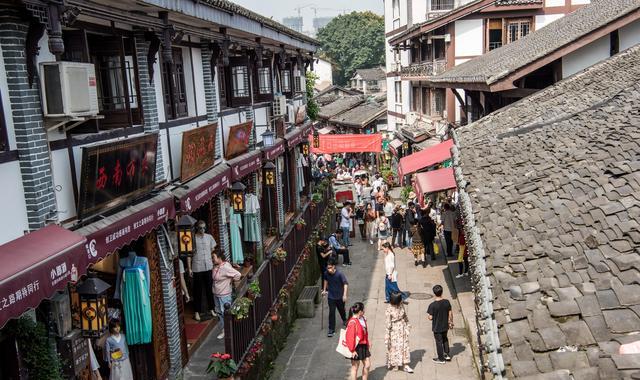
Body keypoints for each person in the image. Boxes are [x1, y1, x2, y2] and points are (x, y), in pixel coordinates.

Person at [187, 220, 217, 321]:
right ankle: (197, 312)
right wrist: (189, 268)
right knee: (197, 291)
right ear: (197, 228)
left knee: (209, 288)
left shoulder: (209, 237)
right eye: (200, 228)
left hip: (208, 265)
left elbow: (213, 251)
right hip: (197, 267)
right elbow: (189, 255)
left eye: (204, 228)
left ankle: (212, 309)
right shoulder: (193, 239)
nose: (203, 230)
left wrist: (215, 262)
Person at [212, 251, 241, 339]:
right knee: (219, 312)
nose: (212, 259)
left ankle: (227, 330)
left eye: (213, 257)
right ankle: (225, 329)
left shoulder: (225, 267)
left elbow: (238, 274)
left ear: (219, 258)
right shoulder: (216, 266)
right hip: (216, 293)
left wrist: (231, 281)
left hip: (224, 294)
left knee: (225, 312)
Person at [385, 292, 413, 373]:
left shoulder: (401, 305)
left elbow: (405, 315)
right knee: (394, 347)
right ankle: (396, 364)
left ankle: (405, 364)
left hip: (403, 328)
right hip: (394, 330)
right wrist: (387, 335)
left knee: (404, 346)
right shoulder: (389, 309)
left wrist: (408, 325)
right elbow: (388, 323)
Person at [427, 284, 453, 364]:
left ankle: (441, 358)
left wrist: (429, 316)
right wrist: (450, 322)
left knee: (439, 342)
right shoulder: (446, 302)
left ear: (434, 293)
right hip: (445, 325)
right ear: (442, 292)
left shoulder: (432, 305)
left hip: (437, 327)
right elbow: (450, 313)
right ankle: (447, 354)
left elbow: (430, 317)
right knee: (445, 339)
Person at [322, 260, 349, 337]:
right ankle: (331, 329)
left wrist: (344, 295)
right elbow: (325, 280)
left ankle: (344, 319)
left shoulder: (340, 274)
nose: (328, 270)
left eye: (330, 268)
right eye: (327, 268)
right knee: (331, 312)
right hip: (331, 297)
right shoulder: (326, 273)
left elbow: (345, 284)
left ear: (334, 266)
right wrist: (324, 290)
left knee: (341, 309)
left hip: (340, 296)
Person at [345, 302, 371, 380]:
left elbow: (365, 332)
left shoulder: (362, 318)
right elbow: (350, 337)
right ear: (360, 312)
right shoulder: (352, 322)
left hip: (363, 345)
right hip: (356, 347)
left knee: (367, 365)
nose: (364, 312)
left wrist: (368, 342)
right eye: (363, 310)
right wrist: (352, 350)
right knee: (355, 367)